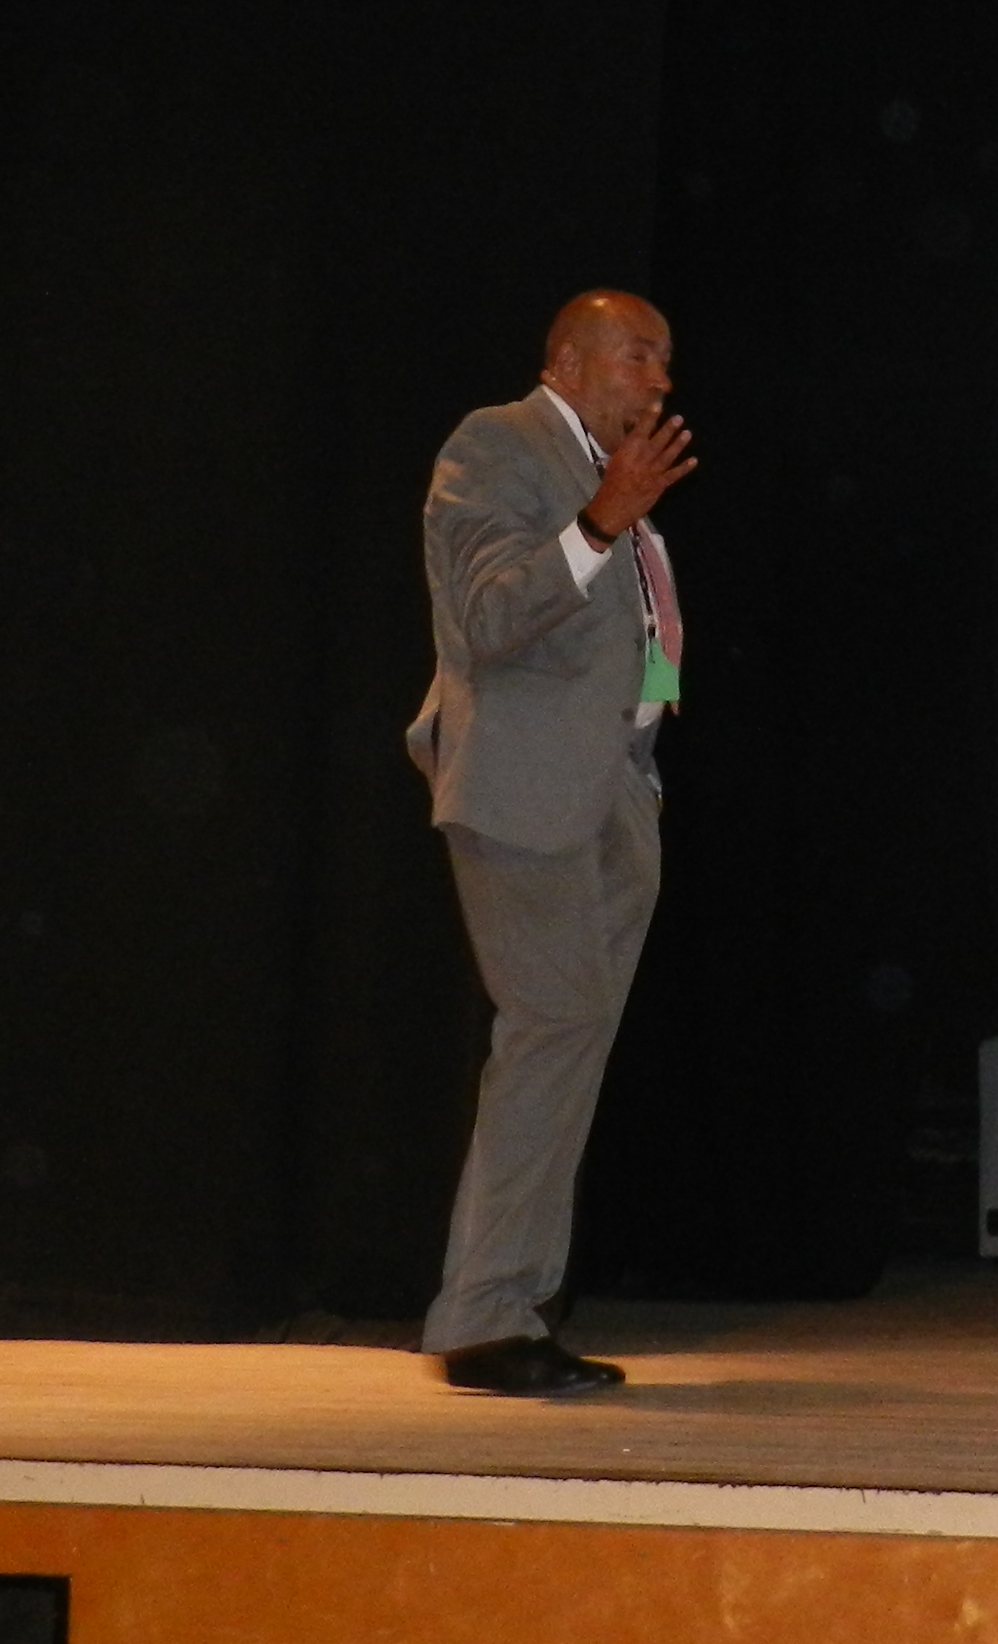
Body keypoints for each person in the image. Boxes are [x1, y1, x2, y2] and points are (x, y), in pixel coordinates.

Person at [405, 288, 697, 1395]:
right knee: (549, 1036)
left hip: (612, 794)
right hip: (525, 792)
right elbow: (487, 615)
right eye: (639, 357)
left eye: (665, 362)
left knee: (565, 1054)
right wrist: (602, 520)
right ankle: (485, 1320)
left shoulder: (607, 470)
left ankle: (516, 1306)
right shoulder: (499, 444)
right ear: (569, 361)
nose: (659, 381)